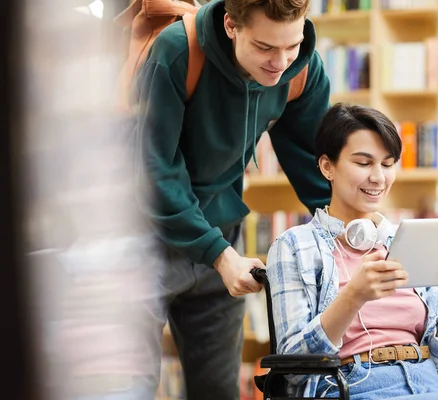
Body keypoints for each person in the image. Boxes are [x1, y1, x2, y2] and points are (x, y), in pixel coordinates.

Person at [265, 103, 438, 400]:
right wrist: (353, 296)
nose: (378, 177)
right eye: (364, 163)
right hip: (353, 386)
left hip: (429, 382)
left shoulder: (405, 240)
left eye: (388, 164)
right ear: (327, 167)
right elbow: (292, 368)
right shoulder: (295, 247)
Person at [128, 0, 332, 398]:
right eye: (264, 47)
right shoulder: (176, 53)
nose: (280, 62)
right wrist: (220, 255)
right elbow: (154, 173)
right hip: (142, 239)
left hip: (222, 238)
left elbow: (316, 165)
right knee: (129, 387)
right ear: (230, 26)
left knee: (218, 390)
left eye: (291, 45)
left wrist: (352, 235)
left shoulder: (301, 66)